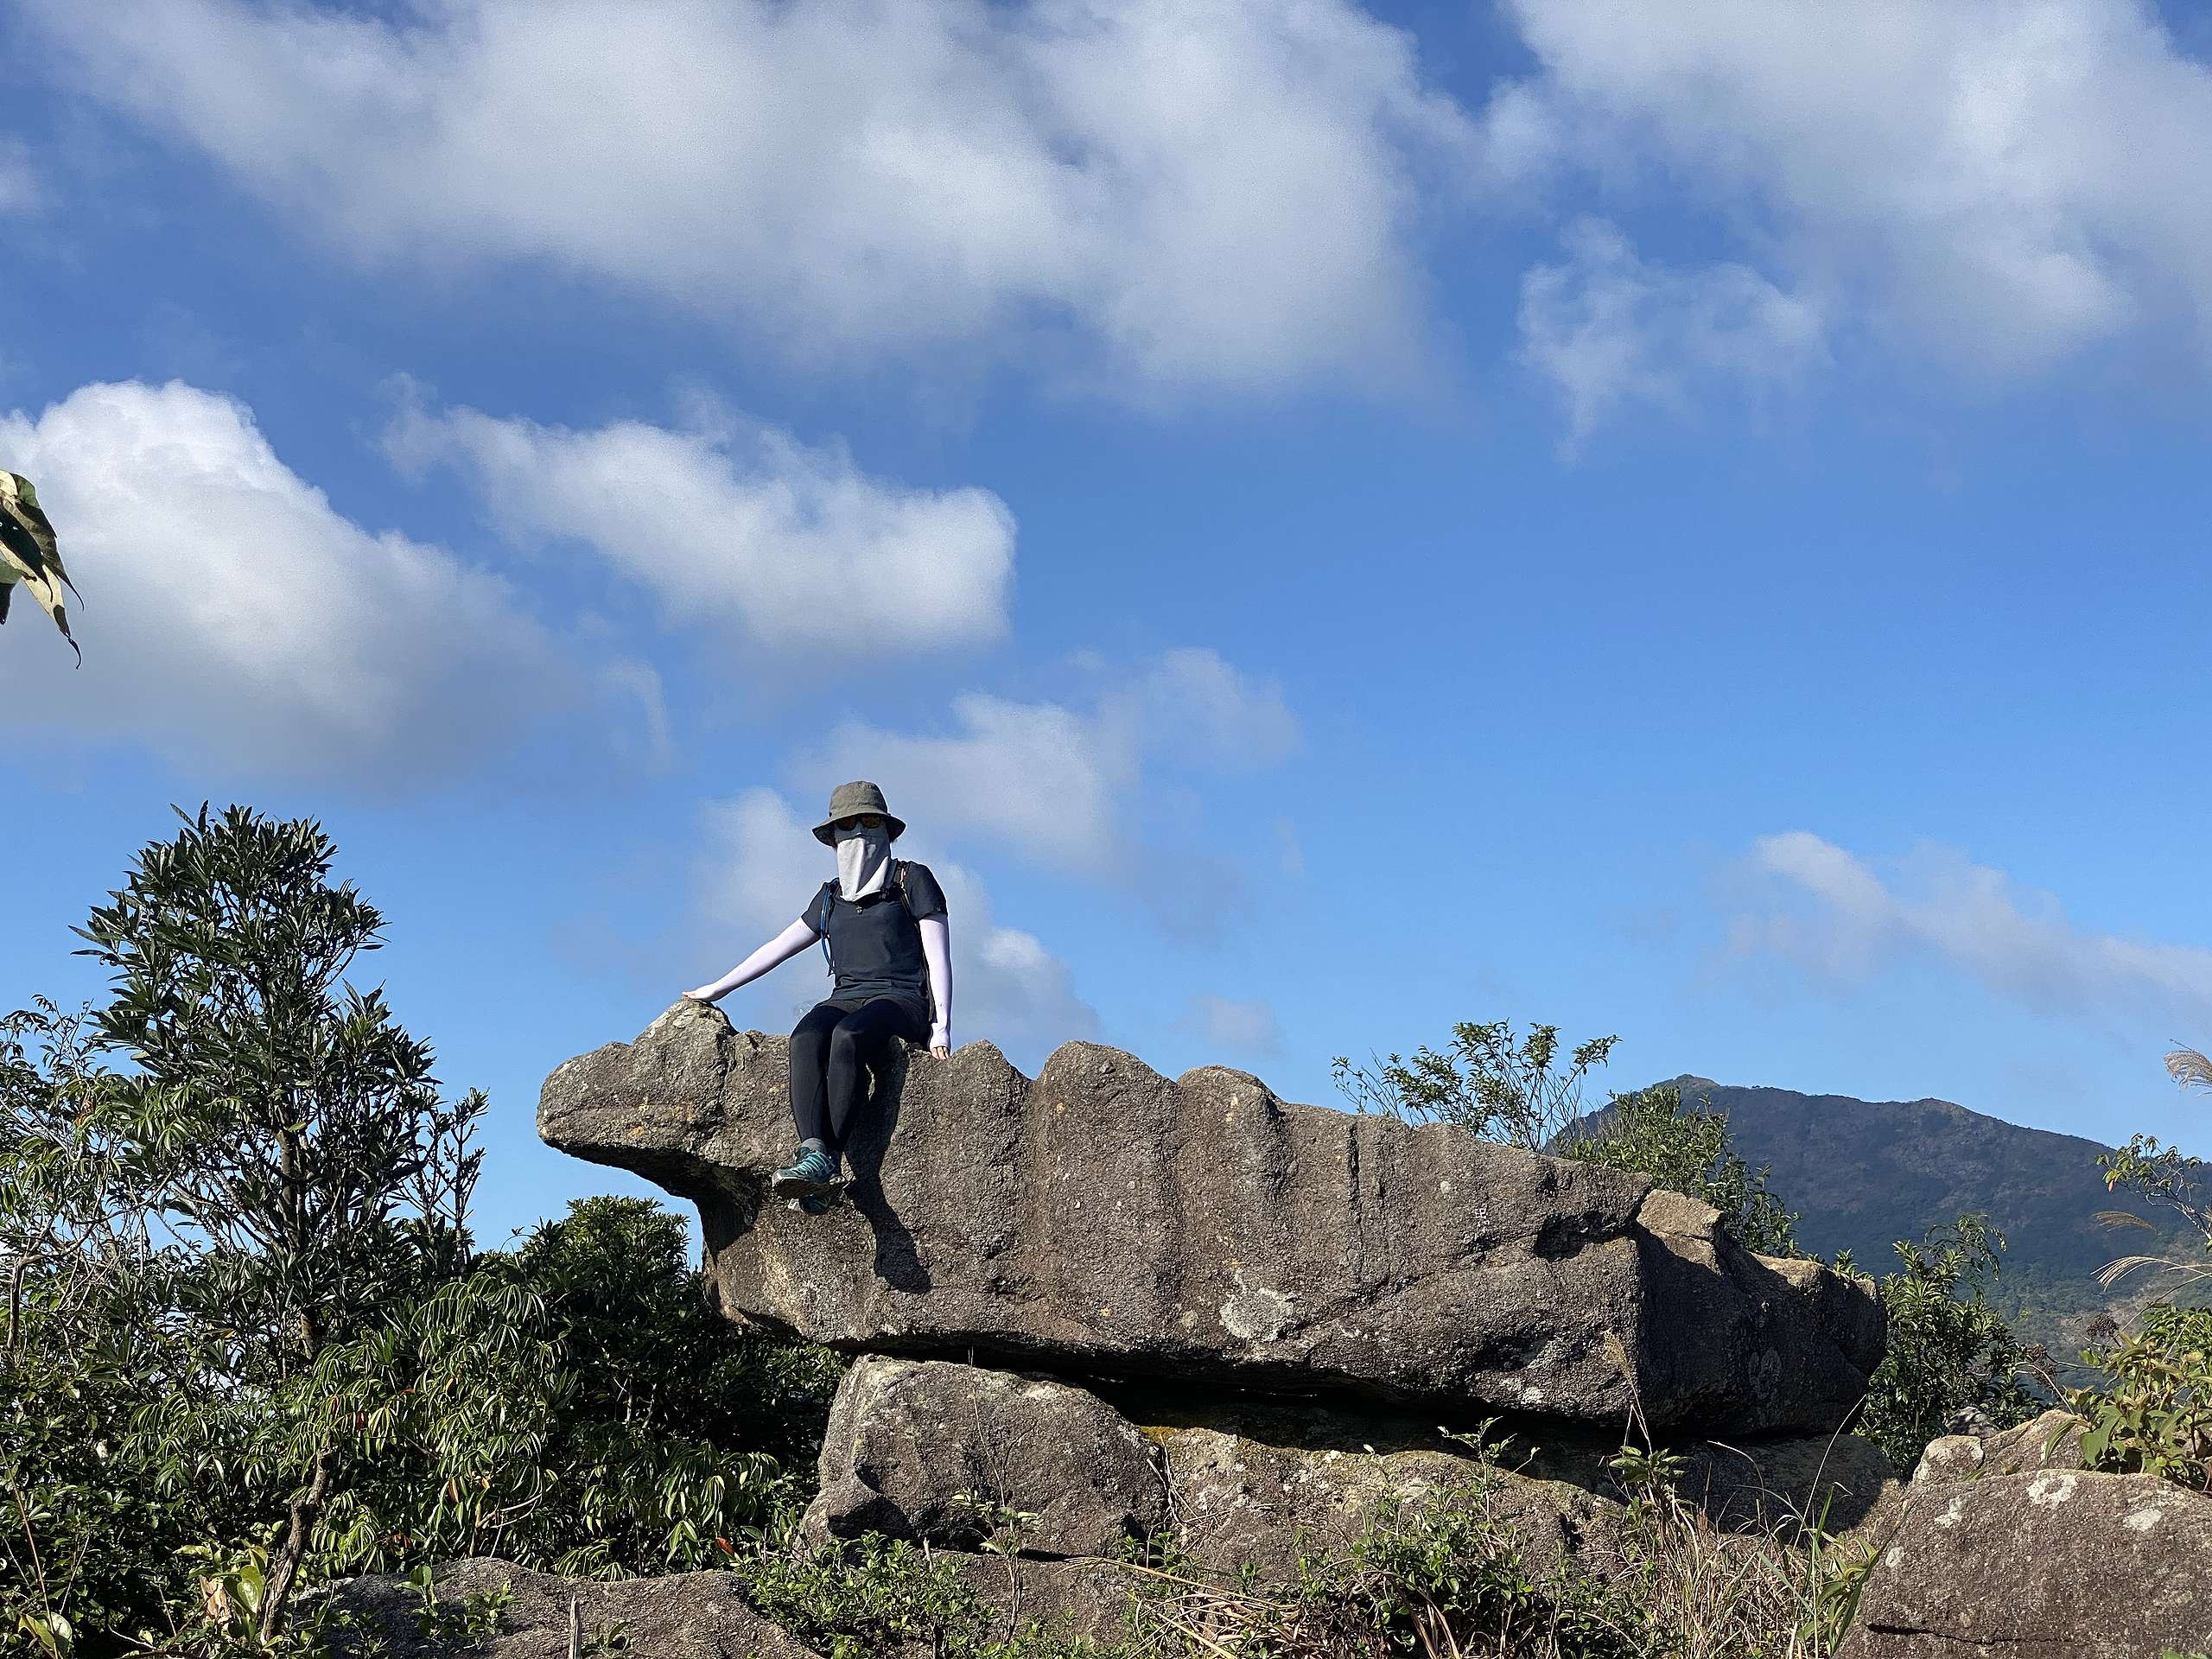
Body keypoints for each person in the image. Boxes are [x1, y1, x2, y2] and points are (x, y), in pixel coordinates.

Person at [683, 781, 950, 1211]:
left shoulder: (911, 880)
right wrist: (718, 988)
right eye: (848, 824)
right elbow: (776, 947)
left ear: (887, 829)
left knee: (848, 1037)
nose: (860, 832)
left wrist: (940, 1029)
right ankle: (815, 1155)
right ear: (833, 837)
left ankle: (825, 1164)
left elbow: (940, 958)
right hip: (847, 994)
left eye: (870, 822)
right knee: (806, 1037)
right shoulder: (829, 898)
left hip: (901, 1000)